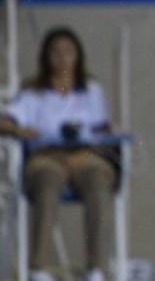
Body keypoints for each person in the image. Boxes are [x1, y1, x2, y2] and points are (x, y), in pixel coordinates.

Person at [0, 27, 117, 281]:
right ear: (46, 57)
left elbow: (103, 130)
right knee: (48, 180)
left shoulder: (92, 91)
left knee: (98, 180)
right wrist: (21, 129)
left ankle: (95, 267)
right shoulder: (32, 92)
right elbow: (5, 122)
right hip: (45, 155)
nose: (62, 58)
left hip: (84, 154)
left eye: (68, 52)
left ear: (78, 57)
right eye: (56, 53)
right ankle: (38, 268)